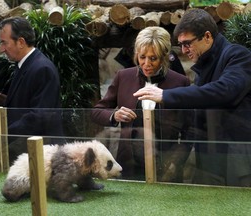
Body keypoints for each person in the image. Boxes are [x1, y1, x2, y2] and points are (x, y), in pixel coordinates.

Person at [133, 8, 251, 187]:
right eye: (180, 45)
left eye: (187, 43)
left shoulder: (238, 55)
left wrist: (165, 95)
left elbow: (225, 91)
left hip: (237, 154)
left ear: (207, 36)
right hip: (210, 155)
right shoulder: (203, 66)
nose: (183, 50)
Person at [91, 26, 192, 182]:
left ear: (164, 57)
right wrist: (114, 115)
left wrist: (176, 161)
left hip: (166, 163)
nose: (146, 64)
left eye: (153, 58)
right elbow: (97, 112)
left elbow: (189, 130)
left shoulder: (180, 82)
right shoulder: (123, 77)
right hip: (128, 163)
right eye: (142, 57)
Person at [0, 16, 62, 162]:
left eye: (4, 42)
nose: (1, 49)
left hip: (42, 153)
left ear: (20, 42)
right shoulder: (25, 65)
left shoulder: (42, 68)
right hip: (26, 149)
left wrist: (3, 134)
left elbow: (39, 116)